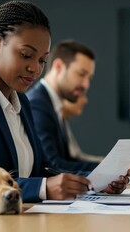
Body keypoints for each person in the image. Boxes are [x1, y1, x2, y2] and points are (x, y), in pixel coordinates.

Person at [0, 1, 129, 223]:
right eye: (26, 55)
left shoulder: (21, 101)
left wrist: (94, 181)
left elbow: (38, 170)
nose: (36, 68)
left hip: (9, 222)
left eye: (42, 60)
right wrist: (43, 188)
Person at [26, 40, 100, 171]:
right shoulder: (37, 105)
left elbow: (67, 160)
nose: (86, 85)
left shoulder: (52, 105)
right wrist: (106, 169)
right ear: (59, 67)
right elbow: (53, 166)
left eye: (89, 78)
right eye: (81, 74)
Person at [62, 94, 104, 163]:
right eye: (80, 95)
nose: (85, 101)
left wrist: (104, 162)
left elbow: (78, 156)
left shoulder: (63, 122)